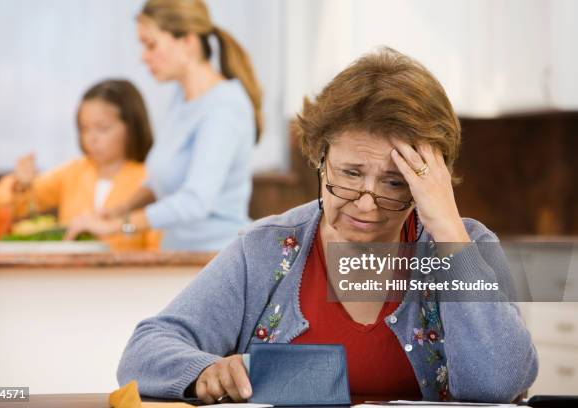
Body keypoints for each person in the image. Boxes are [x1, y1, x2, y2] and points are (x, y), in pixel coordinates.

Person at [116, 48, 537, 403]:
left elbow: (499, 383)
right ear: (320, 158)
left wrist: (447, 229)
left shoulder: (468, 244)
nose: (367, 204)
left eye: (394, 183)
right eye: (350, 175)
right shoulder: (266, 249)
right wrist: (207, 370)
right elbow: (144, 351)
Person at [66, 0, 262, 251]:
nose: (143, 56)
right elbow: (164, 180)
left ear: (187, 42)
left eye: (151, 44)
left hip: (217, 259)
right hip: (177, 254)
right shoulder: (182, 99)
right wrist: (119, 210)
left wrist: (120, 225)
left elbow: (195, 201)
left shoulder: (225, 108)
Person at [0, 79, 160, 251]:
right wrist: (21, 185)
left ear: (132, 127)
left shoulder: (149, 180)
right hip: (70, 275)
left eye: (103, 128)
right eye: (84, 128)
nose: (92, 139)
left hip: (129, 276)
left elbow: (158, 243)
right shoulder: (72, 172)